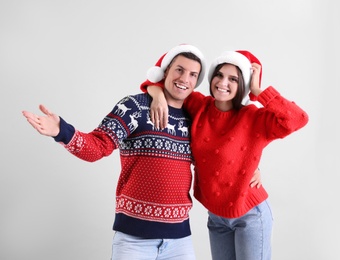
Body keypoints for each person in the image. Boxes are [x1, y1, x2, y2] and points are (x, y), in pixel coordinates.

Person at [22, 44, 207, 260]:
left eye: (193, 74)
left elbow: (213, 161)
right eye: (179, 69)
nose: (185, 78)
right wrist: (61, 131)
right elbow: (98, 146)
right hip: (134, 240)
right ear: (165, 71)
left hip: (180, 240)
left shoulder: (194, 119)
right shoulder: (135, 107)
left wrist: (251, 170)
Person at [142, 50, 309, 260]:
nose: (223, 82)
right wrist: (156, 94)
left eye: (233, 79)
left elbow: (298, 119)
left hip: (251, 215)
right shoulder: (199, 106)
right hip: (216, 217)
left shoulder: (254, 118)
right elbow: (169, 82)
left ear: (243, 85)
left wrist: (257, 90)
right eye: (219, 75)